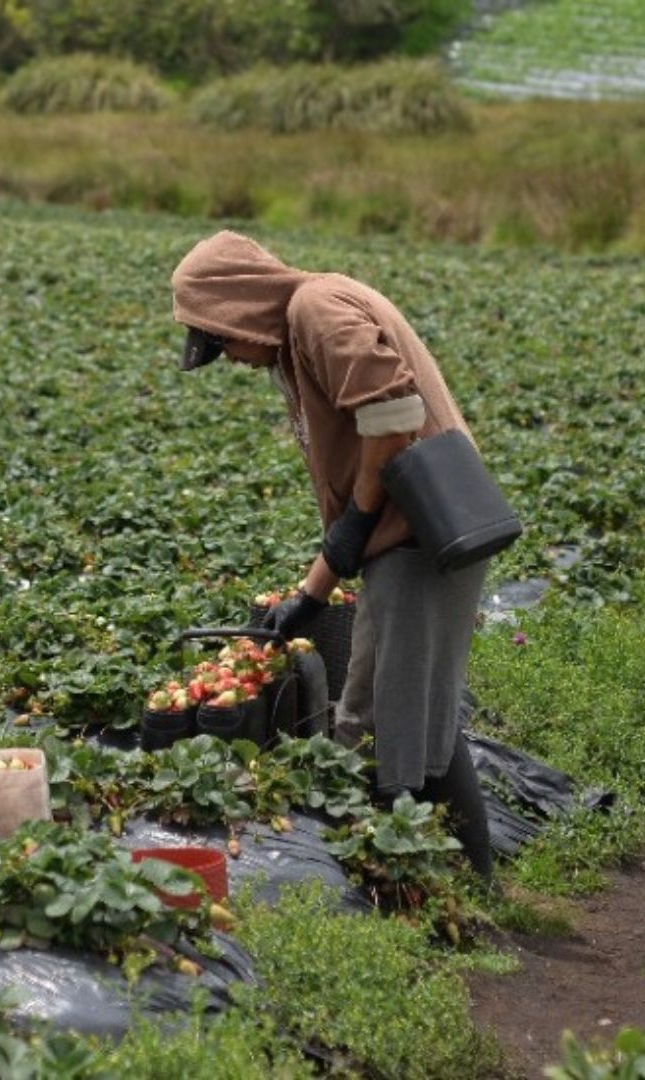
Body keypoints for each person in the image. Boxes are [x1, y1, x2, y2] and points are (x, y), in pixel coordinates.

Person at [169, 230, 494, 879]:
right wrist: (309, 596)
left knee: (384, 719)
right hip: (409, 537)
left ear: (239, 309)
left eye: (223, 341)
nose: (230, 359)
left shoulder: (314, 310)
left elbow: (394, 413)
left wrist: (360, 519)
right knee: (399, 706)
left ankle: (421, 881)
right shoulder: (302, 323)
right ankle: (452, 880)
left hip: (419, 537)